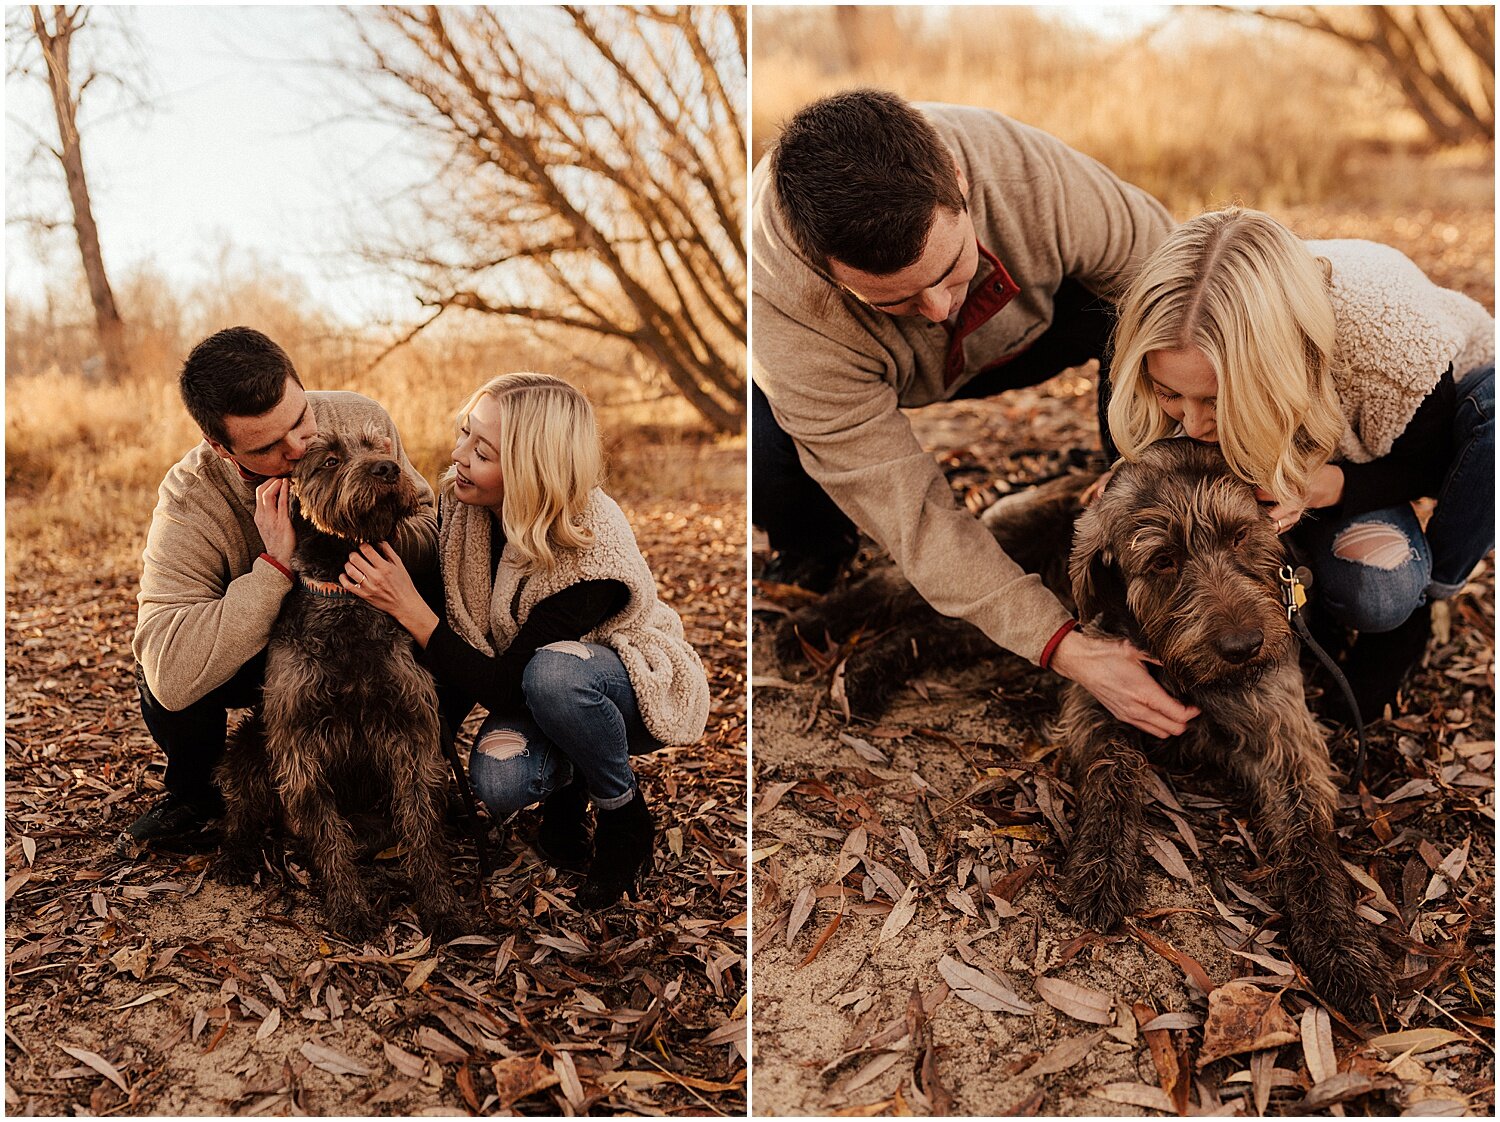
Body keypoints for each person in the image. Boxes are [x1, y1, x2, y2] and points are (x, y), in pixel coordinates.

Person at [754, 88, 1198, 739]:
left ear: (960, 185)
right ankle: (816, 549)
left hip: (1042, 325)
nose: (939, 310)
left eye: (952, 268)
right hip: (883, 377)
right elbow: (917, 519)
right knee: (773, 459)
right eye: (899, 299)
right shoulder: (784, 314)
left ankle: (1142, 501)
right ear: (831, 275)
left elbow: (1189, 295)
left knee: (1154, 319)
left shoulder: (1029, 175)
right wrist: (1064, 647)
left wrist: (1173, 446)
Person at [338, 372, 709, 909]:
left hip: (623, 683)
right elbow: (466, 638)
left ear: (531, 471)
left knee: (554, 676)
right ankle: (566, 792)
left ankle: (623, 816)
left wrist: (408, 609)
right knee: (501, 780)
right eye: (464, 433)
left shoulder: (591, 549)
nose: (458, 454)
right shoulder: (463, 510)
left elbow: (508, 686)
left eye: (481, 450)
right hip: (530, 680)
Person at [1108, 207, 1495, 716]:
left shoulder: (1393, 343)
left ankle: (1429, 599)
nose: (1195, 424)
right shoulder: (1162, 334)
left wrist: (1322, 486)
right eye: (1169, 394)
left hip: (1373, 457)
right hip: (1280, 473)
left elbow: (1428, 468)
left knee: (1381, 594)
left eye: (1218, 400)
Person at [123, 326, 437, 854]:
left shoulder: (359, 419)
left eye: (300, 420)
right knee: (159, 673)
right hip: (260, 644)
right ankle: (198, 796)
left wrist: (380, 519)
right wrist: (273, 567)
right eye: (269, 445)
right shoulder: (190, 497)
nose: (298, 447)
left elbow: (430, 526)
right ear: (220, 447)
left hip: (369, 628)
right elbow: (169, 664)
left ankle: (401, 779)